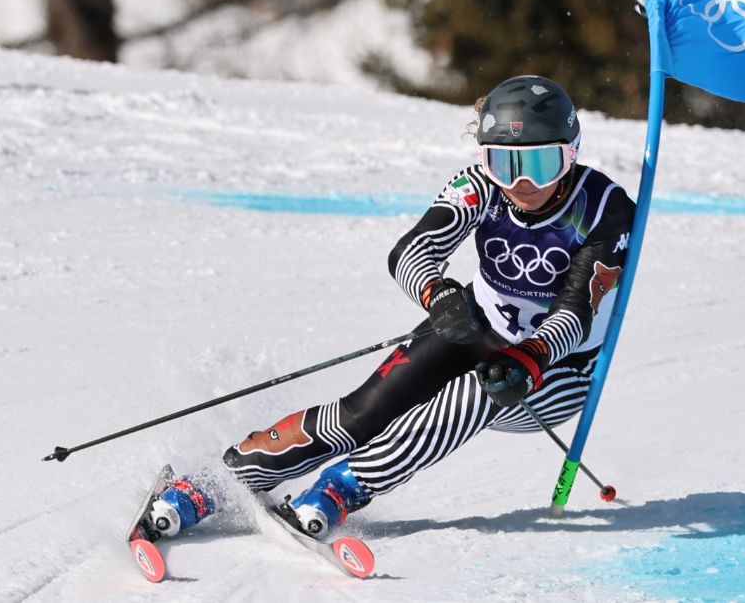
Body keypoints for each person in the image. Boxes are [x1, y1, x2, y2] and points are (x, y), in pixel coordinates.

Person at [146, 75, 635, 539]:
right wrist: (436, 293)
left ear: (570, 155)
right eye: (502, 163)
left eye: (540, 163)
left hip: (558, 367)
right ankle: (212, 482)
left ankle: (341, 487)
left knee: (476, 392)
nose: (521, 182)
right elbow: (412, 251)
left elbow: (576, 311)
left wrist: (529, 355)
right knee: (362, 413)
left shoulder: (605, 209)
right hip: (477, 324)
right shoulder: (479, 187)